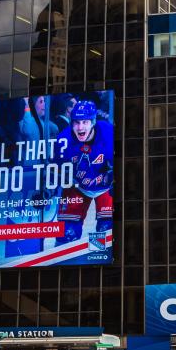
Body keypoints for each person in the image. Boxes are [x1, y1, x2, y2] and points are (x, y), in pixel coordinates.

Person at [55, 99, 114, 247]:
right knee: (66, 234)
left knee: (106, 231)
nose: (80, 127)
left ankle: (97, 262)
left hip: (105, 186)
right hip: (78, 186)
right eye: (76, 122)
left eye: (85, 122)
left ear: (93, 122)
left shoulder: (108, 132)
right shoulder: (63, 140)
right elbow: (57, 170)